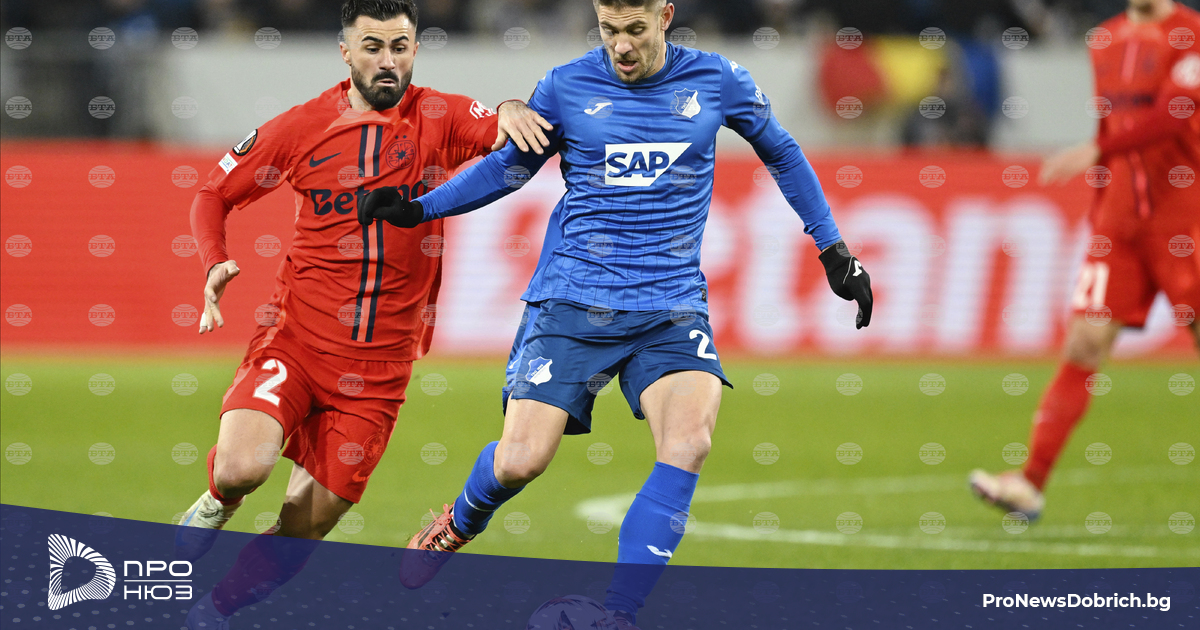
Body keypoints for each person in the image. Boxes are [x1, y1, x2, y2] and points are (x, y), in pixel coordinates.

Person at [357, 0, 873, 626]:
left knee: (689, 442)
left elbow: (783, 154)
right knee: (521, 460)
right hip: (573, 300)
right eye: (609, 31)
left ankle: (620, 614)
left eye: (634, 30)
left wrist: (834, 250)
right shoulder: (566, 86)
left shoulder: (718, 79)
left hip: (670, 306)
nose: (621, 46)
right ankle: (458, 523)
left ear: (665, 16)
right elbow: (509, 170)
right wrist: (419, 208)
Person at [177, 1, 552, 627]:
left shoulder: (439, 115)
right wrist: (214, 260)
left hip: (379, 370)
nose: (387, 61)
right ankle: (218, 500)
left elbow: (504, 129)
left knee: (304, 527)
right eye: (373, 47)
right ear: (346, 52)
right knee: (244, 467)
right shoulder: (302, 126)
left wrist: (512, 105)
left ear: (415, 50)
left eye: (400, 47)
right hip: (294, 340)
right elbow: (213, 194)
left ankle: (213, 611)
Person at [970, 0, 1200, 520]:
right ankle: (1029, 483)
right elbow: (1108, 124)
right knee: (1085, 341)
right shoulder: (1105, 39)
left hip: (1184, 217)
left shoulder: (1191, 34)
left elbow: (1173, 115)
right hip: (1119, 224)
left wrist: (1100, 150)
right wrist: (1100, 210)